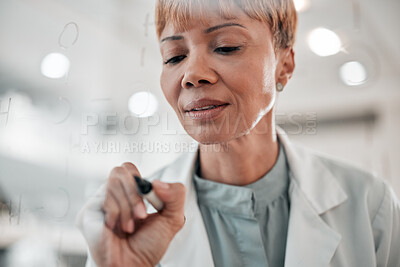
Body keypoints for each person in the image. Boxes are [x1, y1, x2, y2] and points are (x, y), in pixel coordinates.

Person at [76, 0, 400, 266]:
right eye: (174, 56)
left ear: (284, 64)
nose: (192, 74)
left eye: (226, 47)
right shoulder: (132, 221)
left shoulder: (370, 205)